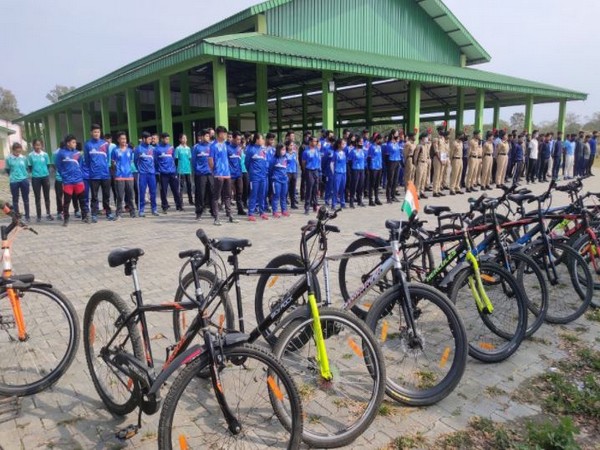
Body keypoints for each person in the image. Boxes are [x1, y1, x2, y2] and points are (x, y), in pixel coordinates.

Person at [55, 135, 88, 226]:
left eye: (75, 142)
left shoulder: (78, 153)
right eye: (73, 142)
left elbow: (80, 165)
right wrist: (64, 176)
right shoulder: (61, 153)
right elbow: (58, 165)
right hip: (68, 181)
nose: (75, 144)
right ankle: (66, 218)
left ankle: (84, 216)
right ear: (68, 143)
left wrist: (80, 175)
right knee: (66, 201)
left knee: (82, 200)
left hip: (78, 180)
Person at [84, 124, 115, 222]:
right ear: (91, 133)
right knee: (94, 196)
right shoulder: (88, 144)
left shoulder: (105, 144)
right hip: (94, 175)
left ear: (100, 132)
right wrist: (92, 170)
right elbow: (87, 160)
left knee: (106, 195)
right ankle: (94, 214)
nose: (96, 133)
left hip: (105, 174)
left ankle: (108, 213)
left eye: (98, 132)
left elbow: (108, 159)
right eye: (94, 132)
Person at [209, 126, 238, 226]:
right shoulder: (213, 146)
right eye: (224, 133)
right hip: (219, 174)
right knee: (216, 196)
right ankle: (216, 218)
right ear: (219, 134)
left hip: (227, 174)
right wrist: (215, 171)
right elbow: (210, 160)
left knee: (228, 196)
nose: (226, 135)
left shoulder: (226, 145)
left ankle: (230, 216)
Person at [155, 132, 183, 213]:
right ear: (162, 139)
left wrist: (174, 169)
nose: (167, 140)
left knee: (175, 190)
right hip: (163, 173)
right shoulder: (157, 149)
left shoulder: (171, 147)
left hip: (172, 172)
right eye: (166, 139)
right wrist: (159, 171)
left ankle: (179, 205)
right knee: (163, 191)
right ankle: (165, 206)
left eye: (168, 139)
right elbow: (155, 161)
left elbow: (174, 159)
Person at [111, 131, 136, 218]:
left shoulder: (130, 150)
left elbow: (132, 162)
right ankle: (118, 213)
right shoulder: (115, 151)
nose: (124, 140)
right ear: (118, 140)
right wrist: (116, 173)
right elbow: (113, 163)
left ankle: (132, 212)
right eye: (122, 139)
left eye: (125, 138)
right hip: (119, 177)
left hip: (129, 176)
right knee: (120, 196)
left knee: (130, 196)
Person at [27, 139, 53, 222]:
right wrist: (34, 174)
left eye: (39, 145)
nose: (37, 147)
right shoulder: (30, 155)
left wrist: (45, 173)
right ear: (33, 145)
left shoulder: (45, 155)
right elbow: (30, 167)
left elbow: (48, 165)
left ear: (42, 146)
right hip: (35, 178)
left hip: (45, 177)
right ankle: (39, 215)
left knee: (47, 196)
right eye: (36, 145)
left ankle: (48, 214)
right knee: (37, 197)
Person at [134, 131, 159, 217]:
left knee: (153, 192)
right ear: (144, 139)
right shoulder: (138, 148)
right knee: (142, 192)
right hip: (142, 174)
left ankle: (154, 209)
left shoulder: (153, 149)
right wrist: (140, 170)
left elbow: (155, 161)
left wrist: (154, 170)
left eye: (151, 139)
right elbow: (135, 161)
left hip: (152, 174)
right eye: (149, 139)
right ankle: (141, 210)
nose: (150, 140)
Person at [246, 132, 270, 221]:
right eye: (261, 139)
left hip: (263, 176)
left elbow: (266, 161)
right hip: (254, 176)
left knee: (262, 194)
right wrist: (252, 172)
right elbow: (247, 163)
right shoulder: (250, 149)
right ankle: (251, 213)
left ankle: (262, 212)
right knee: (254, 194)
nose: (263, 140)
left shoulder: (263, 149)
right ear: (257, 140)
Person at [192, 129, 215, 220]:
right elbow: (193, 161)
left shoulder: (212, 147)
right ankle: (199, 212)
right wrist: (197, 171)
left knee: (212, 193)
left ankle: (213, 211)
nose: (208, 138)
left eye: (208, 136)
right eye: (206, 136)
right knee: (200, 194)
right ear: (201, 137)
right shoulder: (196, 147)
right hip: (200, 174)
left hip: (210, 173)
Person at [5, 143, 30, 222]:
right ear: (13, 150)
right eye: (16, 151)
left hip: (24, 180)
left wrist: (24, 176)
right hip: (14, 181)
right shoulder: (8, 158)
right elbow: (8, 170)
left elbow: (26, 168)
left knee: (26, 198)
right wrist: (13, 176)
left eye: (19, 151)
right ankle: (17, 216)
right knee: (15, 199)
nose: (18, 152)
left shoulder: (24, 158)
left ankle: (27, 215)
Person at [227, 131, 246, 216]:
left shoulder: (239, 148)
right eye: (237, 139)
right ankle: (228, 211)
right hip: (230, 174)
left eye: (240, 139)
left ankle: (240, 209)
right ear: (233, 139)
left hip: (239, 174)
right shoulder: (227, 148)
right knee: (228, 194)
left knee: (239, 192)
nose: (239, 141)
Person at [302, 136, 321, 215]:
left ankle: (315, 206)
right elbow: (303, 162)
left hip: (316, 171)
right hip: (309, 170)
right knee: (309, 189)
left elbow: (319, 161)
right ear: (310, 142)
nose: (315, 143)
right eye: (313, 141)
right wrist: (305, 171)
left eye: (316, 141)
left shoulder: (317, 151)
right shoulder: (306, 151)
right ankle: (306, 207)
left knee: (315, 189)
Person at [269, 143, 289, 217]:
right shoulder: (274, 159)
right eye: (282, 149)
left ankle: (284, 210)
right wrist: (273, 178)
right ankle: (275, 211)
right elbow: (270, 169)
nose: (284, 151)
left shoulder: (285, 158)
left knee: (284, 196)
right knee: (276, 196)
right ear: (278, 150)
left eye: (285, 149)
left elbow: (286, 167)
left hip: (284, 180)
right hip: (276, 180)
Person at [348, 137, 367, 208]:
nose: (361, 143)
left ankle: (360, 201)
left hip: (362, 169)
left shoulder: (363, 151)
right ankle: (351, 202)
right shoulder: (353, 151)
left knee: (361, 185)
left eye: (362, 142)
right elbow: (349, 162)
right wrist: (351, 171)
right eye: (360, 142)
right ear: (356, 143)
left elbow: (364, 160)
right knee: (354, 186)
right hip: (355, 169)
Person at [175, 134, 193, 206]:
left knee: (189, 185)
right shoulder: (178, 148)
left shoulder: (188, 148)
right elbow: (176, 159)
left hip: (188, 170)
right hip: (181, 170)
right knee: (181, 187)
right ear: (180, 139)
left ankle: (190, 200)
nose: (185, 139)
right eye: (183, 138)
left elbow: (189, 158)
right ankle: (181, 202)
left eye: (186, 138)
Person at [385, 130, 402, 202]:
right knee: (390, 180)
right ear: (392, 135)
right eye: (396, 134)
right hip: (391, 162)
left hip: (397, 162)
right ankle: (388, 197)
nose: (397, 136)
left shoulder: (397, 144)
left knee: (395, 180)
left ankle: (393, 195)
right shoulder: (389, 145)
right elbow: (386, 156)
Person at [331, 138, 347, 209]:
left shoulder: (344, 153)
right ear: (339, 144)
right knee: (336, 189)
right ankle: (333, 204)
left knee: (342, 189)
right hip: (337, 173)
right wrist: (333, 172)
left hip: (344, 172)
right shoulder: (335, 153)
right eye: (343, 144)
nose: (344, 145)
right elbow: (331, 163)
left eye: (344, 143)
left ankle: (342, 203)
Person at [432, 128, 449, 197]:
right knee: (437, 175)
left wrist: (444, 160)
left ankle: (438, 189)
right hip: (437, 159)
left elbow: (444, 150)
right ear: (439, 131)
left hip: (442, 159)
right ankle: (435, 191)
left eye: (443, 130)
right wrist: (441, 159)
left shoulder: (443, 139)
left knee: (441, 175)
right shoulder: (436, 139)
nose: (442, 131)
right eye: (441, 130)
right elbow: (436, 151)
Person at [368, 133, 383, 205]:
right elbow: (369, 157)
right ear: (377, 139)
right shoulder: (372, 147)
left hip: (379, 167)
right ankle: (371, 200)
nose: (381, 141)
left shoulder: (379, 147)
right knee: (372, 184)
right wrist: (369, 167)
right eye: (380, 139)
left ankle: (376, 198)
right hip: (373, 167)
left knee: (377, 184)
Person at [413, 132, 430, 199]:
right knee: (419, 179)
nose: (427, 138)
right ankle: (416, 193)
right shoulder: (419, 146)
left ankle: (422, 192)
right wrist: (416, 165)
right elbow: (415, 157)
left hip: (425, 163)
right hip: (420, 163)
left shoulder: (426, 146)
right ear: (422, 138)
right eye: (426, 137)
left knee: (423, 179)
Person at [285, 139, 299, 209]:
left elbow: (296, 162)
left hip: (294, 172)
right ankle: (284, 202)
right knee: (286, 188)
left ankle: (293, 204)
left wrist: (296, 172)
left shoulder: (294, 153)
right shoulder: (285, 154)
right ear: (287, 146)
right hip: (287, 172)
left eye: (293, 145)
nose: (292, 146)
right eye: (291, 145)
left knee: (293, 189)